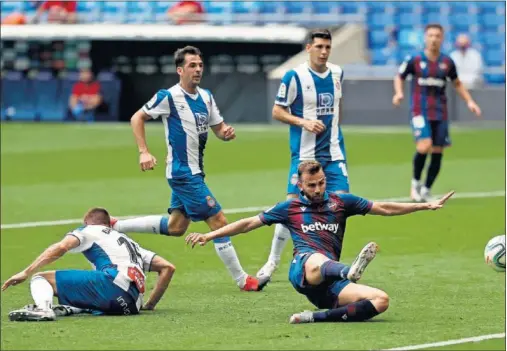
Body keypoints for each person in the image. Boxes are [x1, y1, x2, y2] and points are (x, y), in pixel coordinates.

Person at [185, 160, 455, 324]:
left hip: (328, 287)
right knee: (315, 259)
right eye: (311, 185)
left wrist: (423, 206)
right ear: (300, 185)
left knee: (381, 300)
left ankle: (314, 317)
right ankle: (348, 270)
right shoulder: (288, 208)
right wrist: (209, 235)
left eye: (321, 183)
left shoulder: (341, 202)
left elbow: (384, 207)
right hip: (304, 269)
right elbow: (247, 224)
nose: (317, 189)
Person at [111, 46, 263, 292]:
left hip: (195, 171)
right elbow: (137, 117)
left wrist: (226, 134)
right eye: (192, 65)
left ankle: (116, 225)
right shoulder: (168, 96)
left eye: (200, 65)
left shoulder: (206, 97)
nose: (198, 69)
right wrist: (144, 151)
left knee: (176, 227)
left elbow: (219, 128)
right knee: (219, 220)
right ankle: (242, 279)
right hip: (183, 173)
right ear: (180, 70)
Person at [256, 28, 349, 285]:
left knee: (339, 206)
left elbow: (339, 106)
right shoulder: (294, 76)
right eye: (318, 46)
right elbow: (277, 111)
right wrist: (304, 122)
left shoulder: (338, 73)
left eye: (327, 47)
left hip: (333, 154)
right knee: (291, 205)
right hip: (304, 156)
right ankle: (272, 261)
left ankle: (327, 260)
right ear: (308, 48)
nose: (323, 51)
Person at [2, 208, 175, 321]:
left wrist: (26, 271)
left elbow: (62, 247)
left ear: (86, 220)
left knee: (41, 278)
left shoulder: (88, 230)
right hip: (131, 305)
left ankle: (43, 309)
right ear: (109, 223)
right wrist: (150, 305)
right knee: (90, 284)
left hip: (112, 285)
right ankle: (71, 308)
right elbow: (168, 267)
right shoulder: (130, 244)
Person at [393, 24, 482, 202]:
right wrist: (399, 92)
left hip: (440, 112)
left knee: (437, 151)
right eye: (430, 35)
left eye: (437, 36)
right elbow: (400, 76)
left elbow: (457, 83)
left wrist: (470, 101)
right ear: (425, 38)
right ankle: (415, 184)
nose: (433, 39)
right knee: (424, 146)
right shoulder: (415, 60)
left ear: (442, 39)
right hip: (419, 111)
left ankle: (426, 188)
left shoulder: (447, 62)